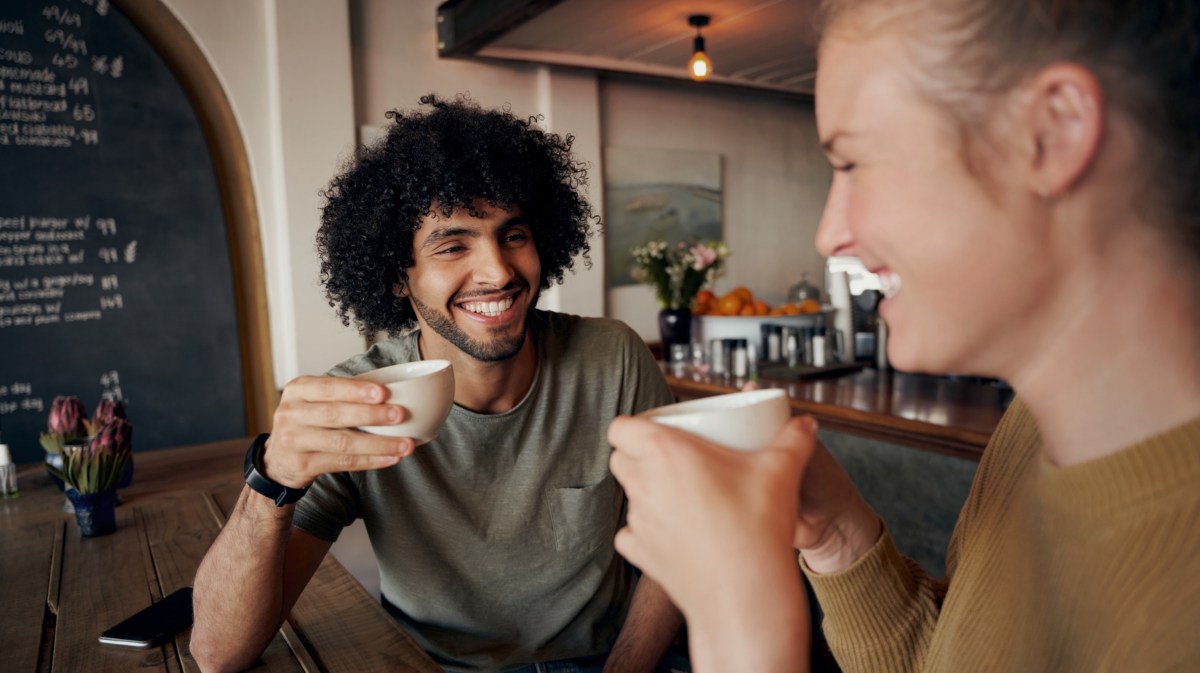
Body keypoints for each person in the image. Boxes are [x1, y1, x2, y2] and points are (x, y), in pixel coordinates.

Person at [608, 0, 1200, 671]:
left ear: (1053, 131)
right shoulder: (1034, 428)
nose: (829, 235)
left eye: (855, 163)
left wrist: (741, 627)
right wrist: (838, 536)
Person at [192, 94, 687, 673]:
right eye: (452, 246)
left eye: (514, 235)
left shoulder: (613, 358)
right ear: (399, 278)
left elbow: (680, 536)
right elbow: (218, 654)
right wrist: (271, 479)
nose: (498, 271)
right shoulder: (360, 401)